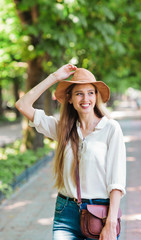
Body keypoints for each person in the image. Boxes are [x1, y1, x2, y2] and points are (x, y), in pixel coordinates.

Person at [15, 63, 126, 240]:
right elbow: (22, 104)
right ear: (70, 98)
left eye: (90, 92)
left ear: (96, 96)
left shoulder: (111, 129)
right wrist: (54, 77)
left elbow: (117, 181)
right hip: (65, 212)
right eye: (79, 93)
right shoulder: (63, 129)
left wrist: (111, 222)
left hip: (100, 214)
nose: (85, 99)